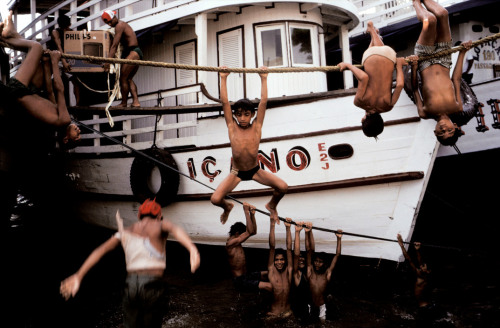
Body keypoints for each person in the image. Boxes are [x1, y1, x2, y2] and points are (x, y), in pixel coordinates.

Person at [60, 198, 200, 328]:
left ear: (139, 216)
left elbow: (100, 251)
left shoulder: (127, 231)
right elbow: (176, 230)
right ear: (159, 216)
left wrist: (79, 275)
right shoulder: (160, 224)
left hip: (130, 286)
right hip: (152, 285)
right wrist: (192, 248)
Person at [211, 66, 288, 225]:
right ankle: (227, 207)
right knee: (215, 199)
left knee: (283, 187)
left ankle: (272, 206)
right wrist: (223, 78)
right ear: (235, 116)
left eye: (246, 114)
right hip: (237, 173)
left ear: (252, 115)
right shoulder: (232, 127)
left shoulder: (256, 127)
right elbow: (225, 102)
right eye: (239, 114)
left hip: (255, 170)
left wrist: (264, 78)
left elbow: (263, 102)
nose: (243, 118)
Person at [0, 11, 81, 148]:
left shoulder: (64, 119)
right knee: (43, 57)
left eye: (77, 136)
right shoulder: (59, 119)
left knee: (36, 47)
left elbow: (59, 90)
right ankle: (8, 36)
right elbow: (49, 91)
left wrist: (55, 62)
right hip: (30, 91)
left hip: (18, 92)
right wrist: (47, 64)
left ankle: (7, 37)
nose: (79, 131)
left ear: (66, 139)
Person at [407, 0, 473, 146]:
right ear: (455, 127)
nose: (444, 129)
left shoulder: (425, 113)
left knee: (429, 21)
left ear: (435, 131)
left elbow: (415, 89)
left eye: (441, 132)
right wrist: (462, 52)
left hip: (424, 61)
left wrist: (415, 65)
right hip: (444, 59)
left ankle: (415, 2)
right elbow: (456, 79)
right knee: (443, 14)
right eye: (449, 131)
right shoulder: (457, 107)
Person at [338, 21, 406, 139]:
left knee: (378, 51)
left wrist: (399, 65)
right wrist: (348, 65)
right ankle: (372, 31)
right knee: (369, 61)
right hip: (369, 56)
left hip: (389, 55)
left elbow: (399, 85)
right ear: (363, 119)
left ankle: (373, 34)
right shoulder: (359, 102)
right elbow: (364, 77)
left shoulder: (388, 107)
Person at [226, 202, 272, 292]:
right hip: (240, 280)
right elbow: (249, 232)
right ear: (237, 234)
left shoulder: (237, 241)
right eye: (243, 234)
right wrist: (246, 211)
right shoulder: (230, 244)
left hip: (246, 275)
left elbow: (253, 232)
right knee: (269, 286)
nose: (245, 236)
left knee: (270, 273)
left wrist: (252, 215)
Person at [101, 10, 142, 108]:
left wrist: (107, 62)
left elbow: (114, 46)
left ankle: (124, 103)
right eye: (108, 23)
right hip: (136, 52)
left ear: (114, 17)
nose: (110, 24)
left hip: (134, 52)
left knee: (123, 78)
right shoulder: (120, 25)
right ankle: (136, 102)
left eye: (110, 22)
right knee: (128, 78)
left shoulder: (119, 25)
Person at [397, 234, 438, 326]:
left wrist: (401, 245)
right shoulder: (425, 275)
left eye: (423, 266)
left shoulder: (422, 276)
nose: (420, 266)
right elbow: (420, 262)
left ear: (427, 271)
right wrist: (417, 250)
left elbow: (408, 259)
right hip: (428, 306)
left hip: (425, 309)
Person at [305, 223, 342, 322]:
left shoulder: (327, 273)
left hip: (322, 306)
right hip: (310, 304)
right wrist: (309, 232)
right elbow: (309, 250)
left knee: (323, 323)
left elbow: (337, 255)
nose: (317, 264)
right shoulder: (310, 271)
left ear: (325, 264)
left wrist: (339, 238)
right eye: (316, 261)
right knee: (308, 322)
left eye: (320, 262)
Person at [48, 14, 81, 106]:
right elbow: (59, 47)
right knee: (56, 81)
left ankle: (77, 105)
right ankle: (56, 104)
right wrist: (64, 62)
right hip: (58, 60)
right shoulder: (55, 32)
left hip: (69, 60)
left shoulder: (71, 32)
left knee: (76, 81)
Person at [266, 216, 293, 319]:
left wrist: (288, 228)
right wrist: (272, 224)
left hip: (288, 313)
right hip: (274, 313)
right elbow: (272, 247)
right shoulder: (271, 270)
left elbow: (289, 249)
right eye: (276, 260)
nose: (279, 262)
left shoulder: (288, 270)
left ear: (285, 260)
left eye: (282, 259)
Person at [291, 221, 311, 322]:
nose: (301, 259)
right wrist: (297, 233)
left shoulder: (308, 273)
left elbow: (309, 251)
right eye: (299, 259)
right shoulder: (296, 274)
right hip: (298, 312)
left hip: (309, 311)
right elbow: (296, 254)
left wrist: (308, 232)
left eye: (303, 258)